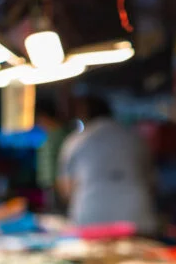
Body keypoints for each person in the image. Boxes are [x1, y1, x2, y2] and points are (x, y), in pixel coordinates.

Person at [57, 95, 158, 236]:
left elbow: (66, 189)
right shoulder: (135, 138)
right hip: (136, 216)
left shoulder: (76, 141)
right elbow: (151, 181)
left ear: (84, 113)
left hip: (91, 217)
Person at [35, 97, 69, 212]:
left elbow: (62, 161)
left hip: (57, 185)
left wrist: (60, 184)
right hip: (50, 185)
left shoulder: (60, 135)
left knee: (57, 213)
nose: (39, 123)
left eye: (39, 119)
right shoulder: (51, 135)